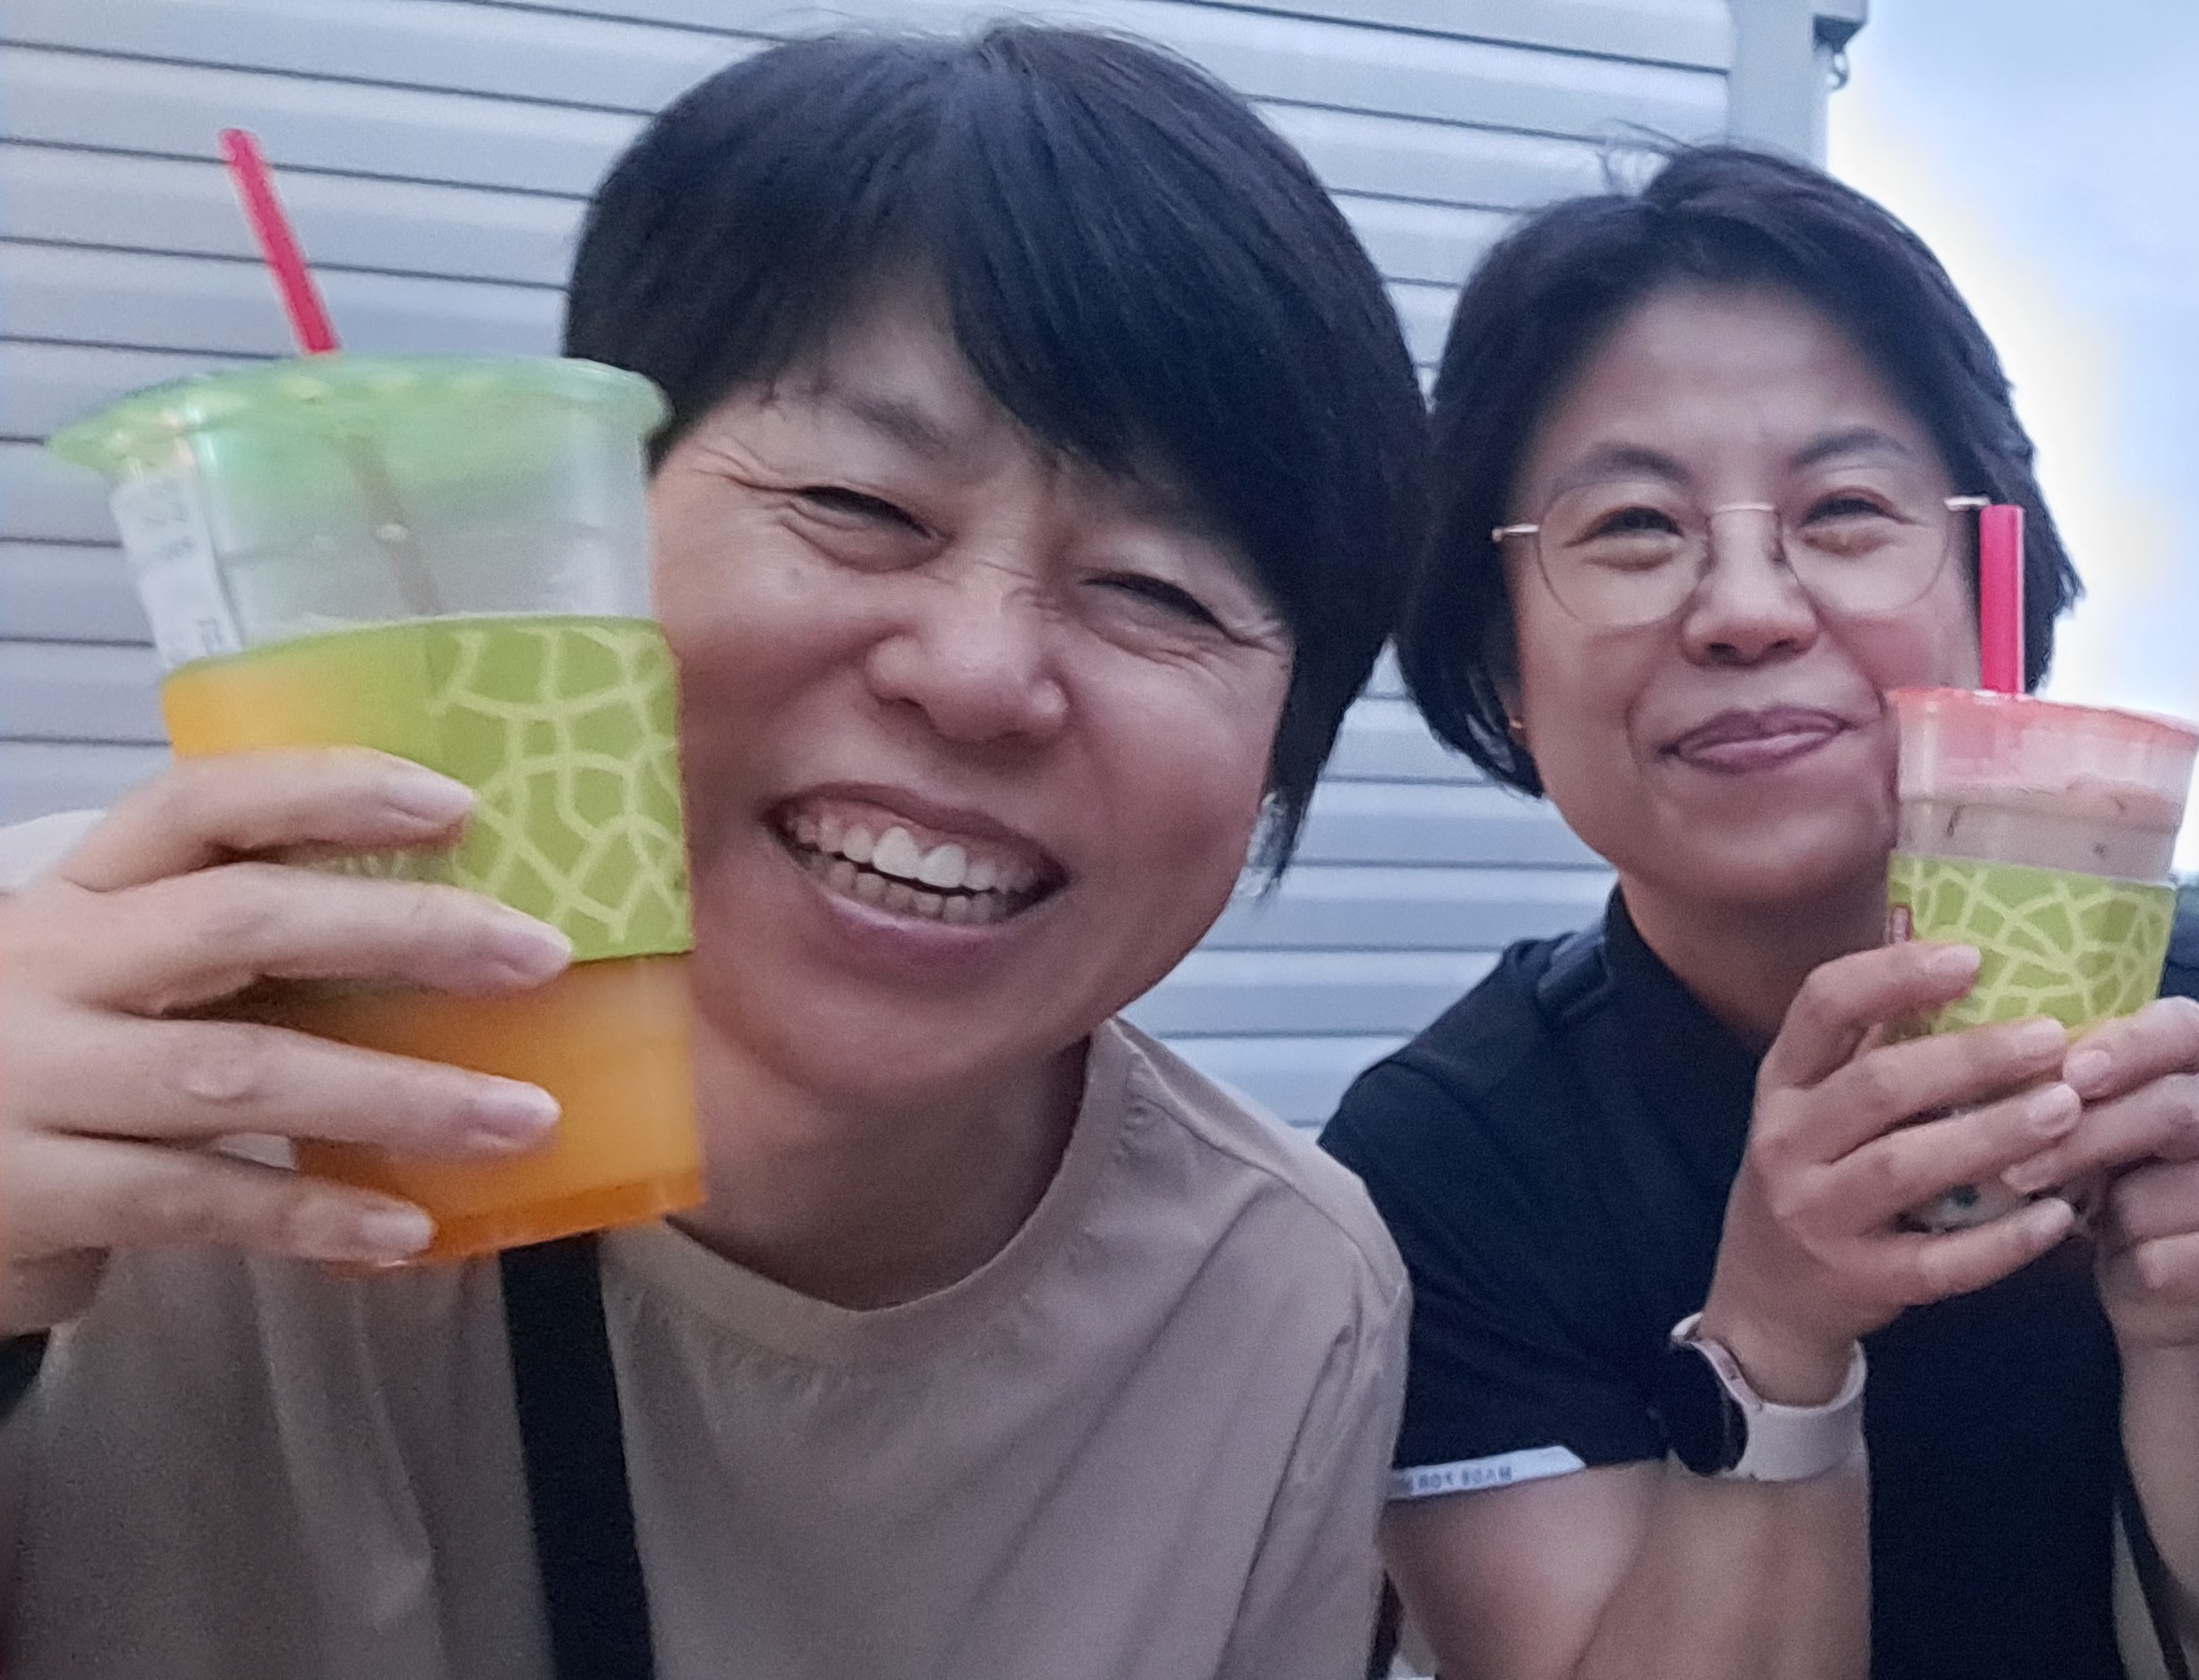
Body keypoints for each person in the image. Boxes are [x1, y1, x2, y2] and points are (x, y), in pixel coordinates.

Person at [0, 27, 1430, 1677]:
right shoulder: (110, 1046)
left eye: (1158, 591)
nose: (977, 674)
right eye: (861, 505)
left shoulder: (1277, 1302)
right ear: (585, 536)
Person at [1312, 147, 2199, 1680]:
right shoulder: (1450, 1160)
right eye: (1632, 528)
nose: (1748, 610)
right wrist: (1774, 1345)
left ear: (1993, 604)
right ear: (1505, 674)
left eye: (1846, 509)